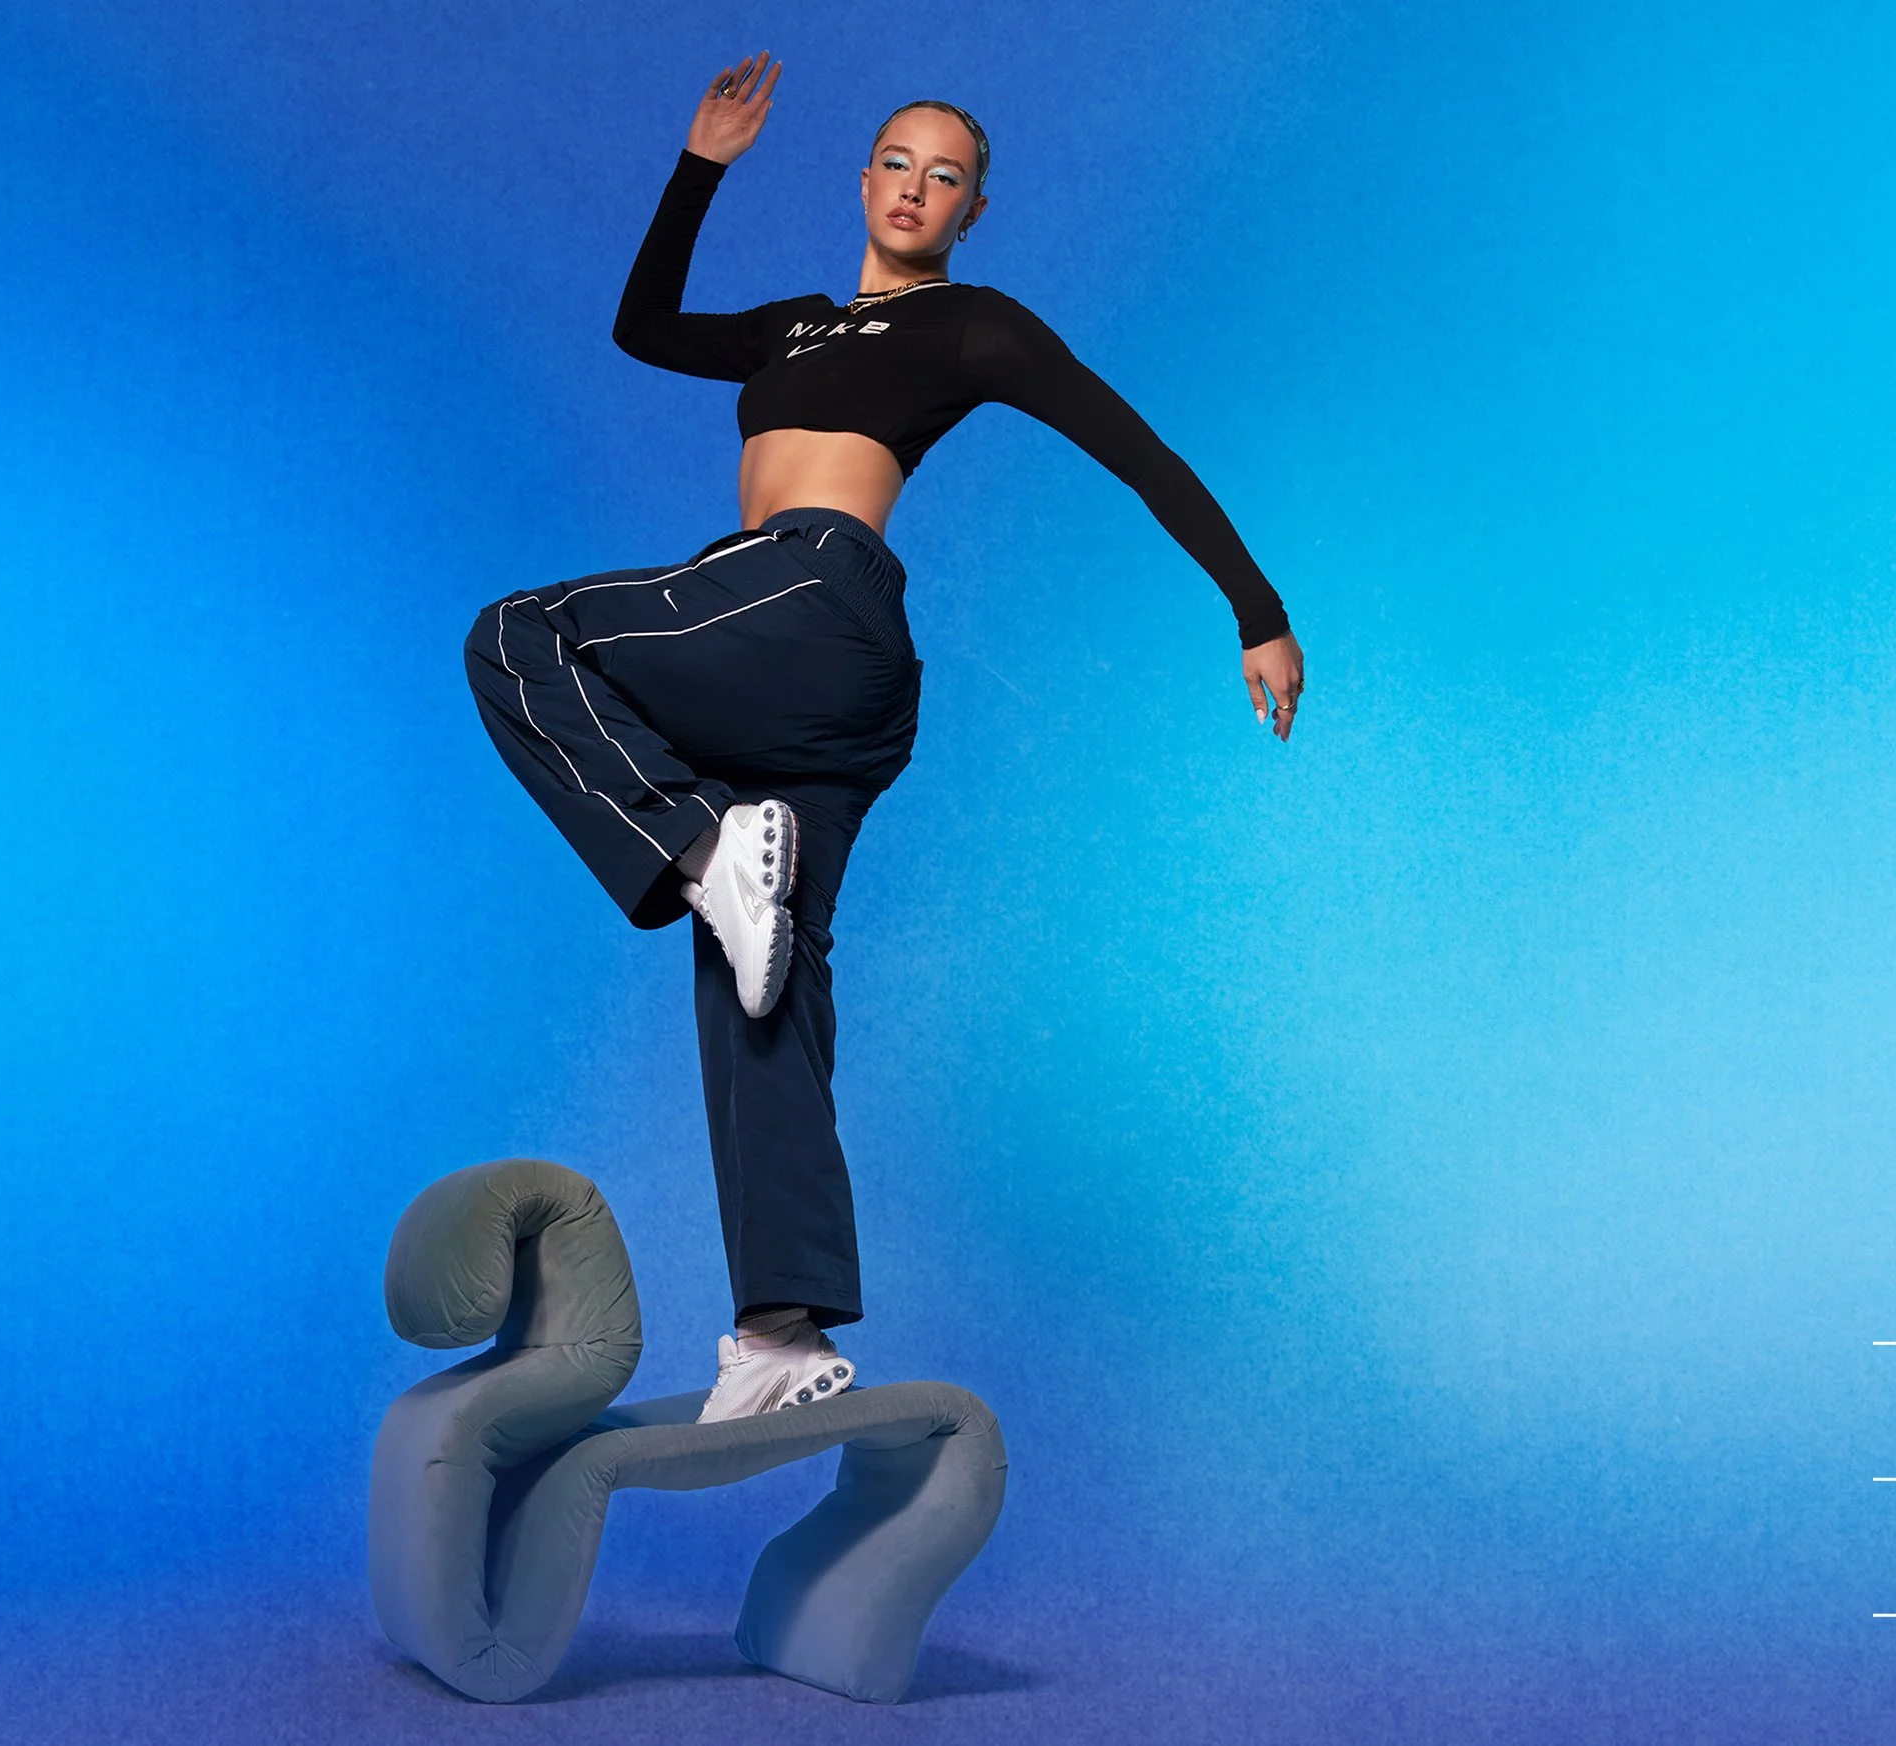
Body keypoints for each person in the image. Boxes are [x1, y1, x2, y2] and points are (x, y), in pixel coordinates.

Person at [465, 52, 1303, 1423]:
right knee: (759, 980)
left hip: (814, 593)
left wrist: (1253, 611)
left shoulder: (974, 326)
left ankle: (695, 842)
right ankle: (779, 1332)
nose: (916, 187)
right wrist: (700, 166)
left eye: (946, 175)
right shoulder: (791, 325)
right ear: (861, 182)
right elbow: (641, 326)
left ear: (972, 209)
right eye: (896, 163)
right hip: (795, 676)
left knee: (517, 635)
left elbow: (1131, 442)